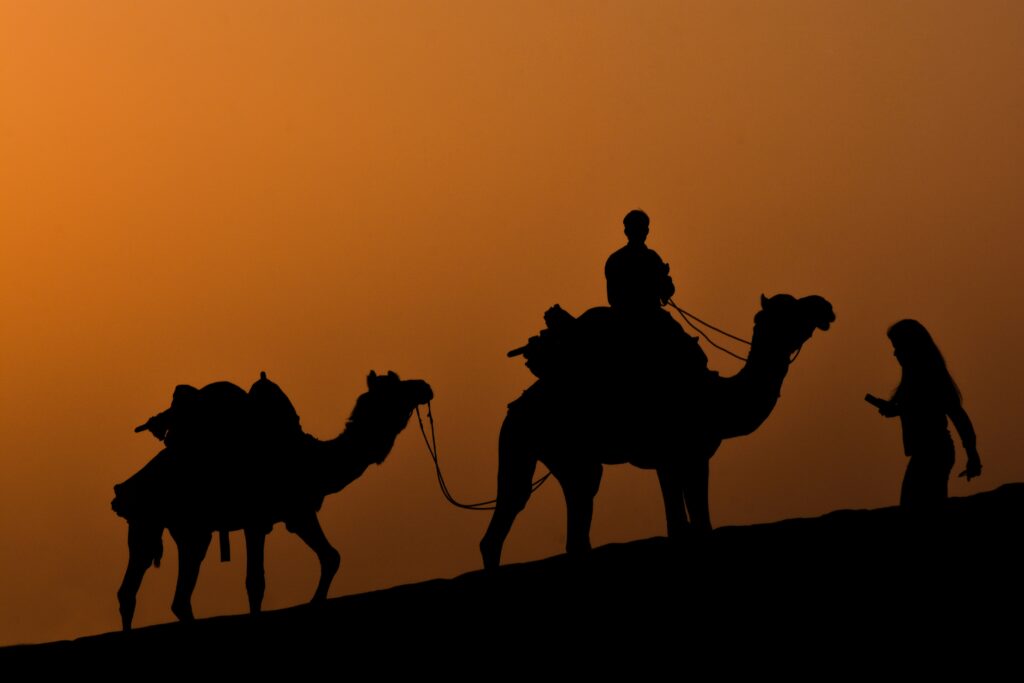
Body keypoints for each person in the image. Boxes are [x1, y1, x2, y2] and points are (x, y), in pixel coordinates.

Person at [865, 319, 982, 512]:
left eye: (898, 347)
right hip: (929, 452)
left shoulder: (932, 376)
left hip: (934, 452)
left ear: (911, 348)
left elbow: (958, 416)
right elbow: (917, 407)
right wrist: (894, 409)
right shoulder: (914, 378)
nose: (895, 353)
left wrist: (972, 454)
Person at [604, 209, 675, 312]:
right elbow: (667, 291)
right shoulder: (652, 258)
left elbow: (612, 297)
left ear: (626, 231)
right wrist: (663, 276)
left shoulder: (614, 259)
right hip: (649, 313)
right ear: (647, 231)